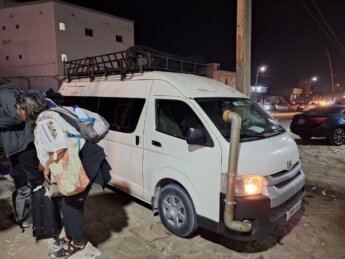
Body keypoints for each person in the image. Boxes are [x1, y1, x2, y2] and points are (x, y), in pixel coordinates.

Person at [15, 92, 111, 259]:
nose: (17, 112)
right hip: (80, 160)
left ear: (26, 109)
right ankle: (71, 236)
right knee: (68, 203)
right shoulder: (48, 116)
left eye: (18, 109)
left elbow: (60, 148)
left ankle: (78, 243)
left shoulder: (45, 122)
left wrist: (46, 167)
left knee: (73, 205)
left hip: (85, 161)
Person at [0, 83, 44, 228]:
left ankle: (37, 217)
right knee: (21, 181)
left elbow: (19, 116)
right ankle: (25, 216)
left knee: (31, 182)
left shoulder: (4, 94)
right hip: (15, 146)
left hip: (22, 145)